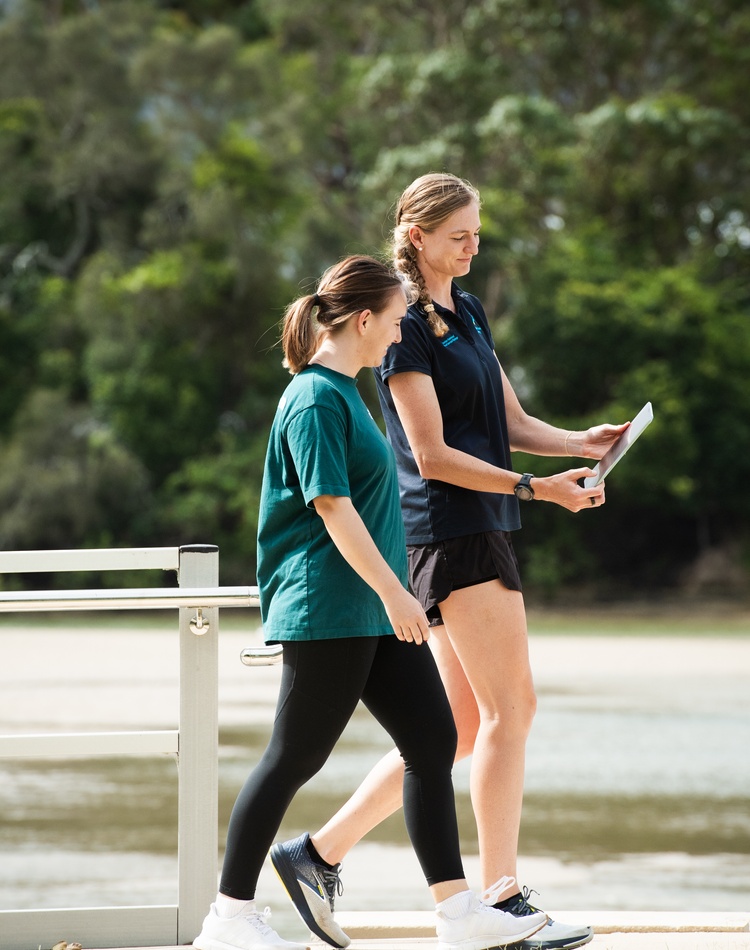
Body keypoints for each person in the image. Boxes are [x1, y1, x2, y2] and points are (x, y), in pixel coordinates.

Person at [270, 178, 630, 950]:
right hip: (447, 530)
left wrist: (581, 444)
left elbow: (509, 420)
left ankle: (316, 854)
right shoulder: (402, 329)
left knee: (460, 725)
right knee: (513, 709)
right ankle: (500, 898)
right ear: (419, 235)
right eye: (459, 235)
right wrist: (537, 489)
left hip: (481, 521)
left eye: (477, 233)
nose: (473, 246)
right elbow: (432, 455)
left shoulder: (465, 310)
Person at [193, 254, 548, 950]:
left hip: (375, 609)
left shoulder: (345, 392)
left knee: (433, 739)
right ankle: (227, 918)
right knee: (293, 757)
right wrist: (396, 593)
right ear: (362, 320)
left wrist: (391, 597)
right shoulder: (315, 398)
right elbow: (331, 507)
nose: (397, 335)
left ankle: (457, 913)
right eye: (391, 323)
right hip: (329, 607)